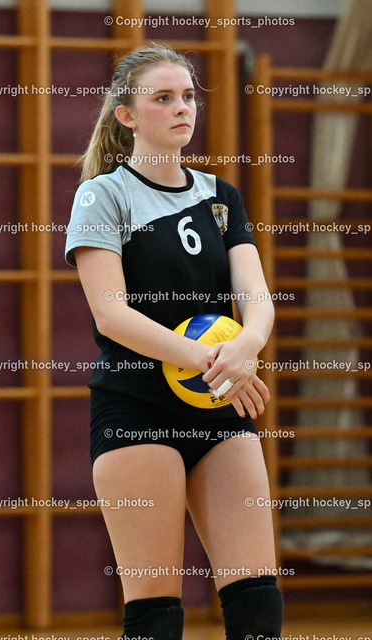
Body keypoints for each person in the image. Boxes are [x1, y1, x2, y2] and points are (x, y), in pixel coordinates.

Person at [65, 44, 283, 640]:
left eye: (188, 96)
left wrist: (249, 347)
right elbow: (111, 315)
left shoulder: (221, 195)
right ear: (127, 115)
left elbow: (255, 296)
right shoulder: (103, 195)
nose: (182, 108)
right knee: (157, 612)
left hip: (219, 405)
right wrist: (213, 360)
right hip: (137, 409)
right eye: (163, 98)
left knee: (258, 604)